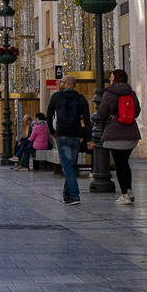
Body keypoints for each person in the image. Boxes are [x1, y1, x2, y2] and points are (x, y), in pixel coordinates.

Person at [97, 67, 141, 205]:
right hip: (131, 134)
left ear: (115, 79)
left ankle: (125, 194)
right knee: (125, 164)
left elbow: (102, 114)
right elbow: (137, 111)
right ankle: (129, 190)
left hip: (115, 134)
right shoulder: (131, 93)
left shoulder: (109, 93)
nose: (110, 79)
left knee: (120, 165)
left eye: (111, 77)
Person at [46, 76, 91, 205]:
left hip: (62, 136)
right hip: (76, 136)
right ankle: (67, 196)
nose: (59, 83)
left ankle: (75, 196)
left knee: (67, 167)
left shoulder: (56, 97)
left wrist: (52, 132)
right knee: (70, 166)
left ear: (67, 84)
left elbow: (49, 115)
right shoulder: (81, 99)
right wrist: (89, 139)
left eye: (61, 82)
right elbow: (87, 120)